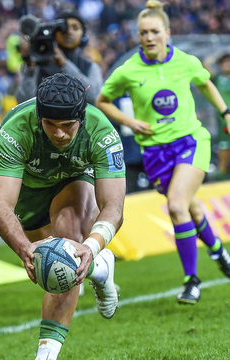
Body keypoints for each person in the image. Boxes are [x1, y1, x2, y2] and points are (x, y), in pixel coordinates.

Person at [0, 73, 126, 360]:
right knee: (53, 268)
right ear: (40, 117)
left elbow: (114, 208)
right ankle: (101, 267)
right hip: (28, 193)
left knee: (71, 239)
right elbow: (0, 205)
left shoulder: (101, 131)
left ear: (81, 117)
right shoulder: (15, 129)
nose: (60, 133)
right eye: (51, 124)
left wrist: (91, 245)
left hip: (73, 180)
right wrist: (24, 248)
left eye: (68, 126)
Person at [95, 0, 230, 305]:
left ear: (167, 32)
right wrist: (130, 122)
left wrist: (226, 113)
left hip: (191, 142)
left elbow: (206, 83)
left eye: (155, 31)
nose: (149, 37)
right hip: (155, 152)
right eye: (143, 33)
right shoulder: (128, 70)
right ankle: (219, 252)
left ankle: (191, 280)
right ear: (138, 36)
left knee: (177, 205)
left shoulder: (185, 61)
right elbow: (103, 100)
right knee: (190, 207)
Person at [14, 10, 104, 105]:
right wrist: (30, 68)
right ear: (54, 33)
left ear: (83, 35)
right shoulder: (38, 62)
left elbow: (94, 97)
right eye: (63, 28)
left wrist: (65, 64)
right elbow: (24, 102)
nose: (69, 32)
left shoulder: (90, 67)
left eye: (75, 28)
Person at [203, 52, 230, 180]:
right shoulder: (217, 79)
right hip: (223, 125)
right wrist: (218, 55)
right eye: (224, 62)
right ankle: (222, 184)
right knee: (223, 159)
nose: (226, 65)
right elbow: (206, 65)